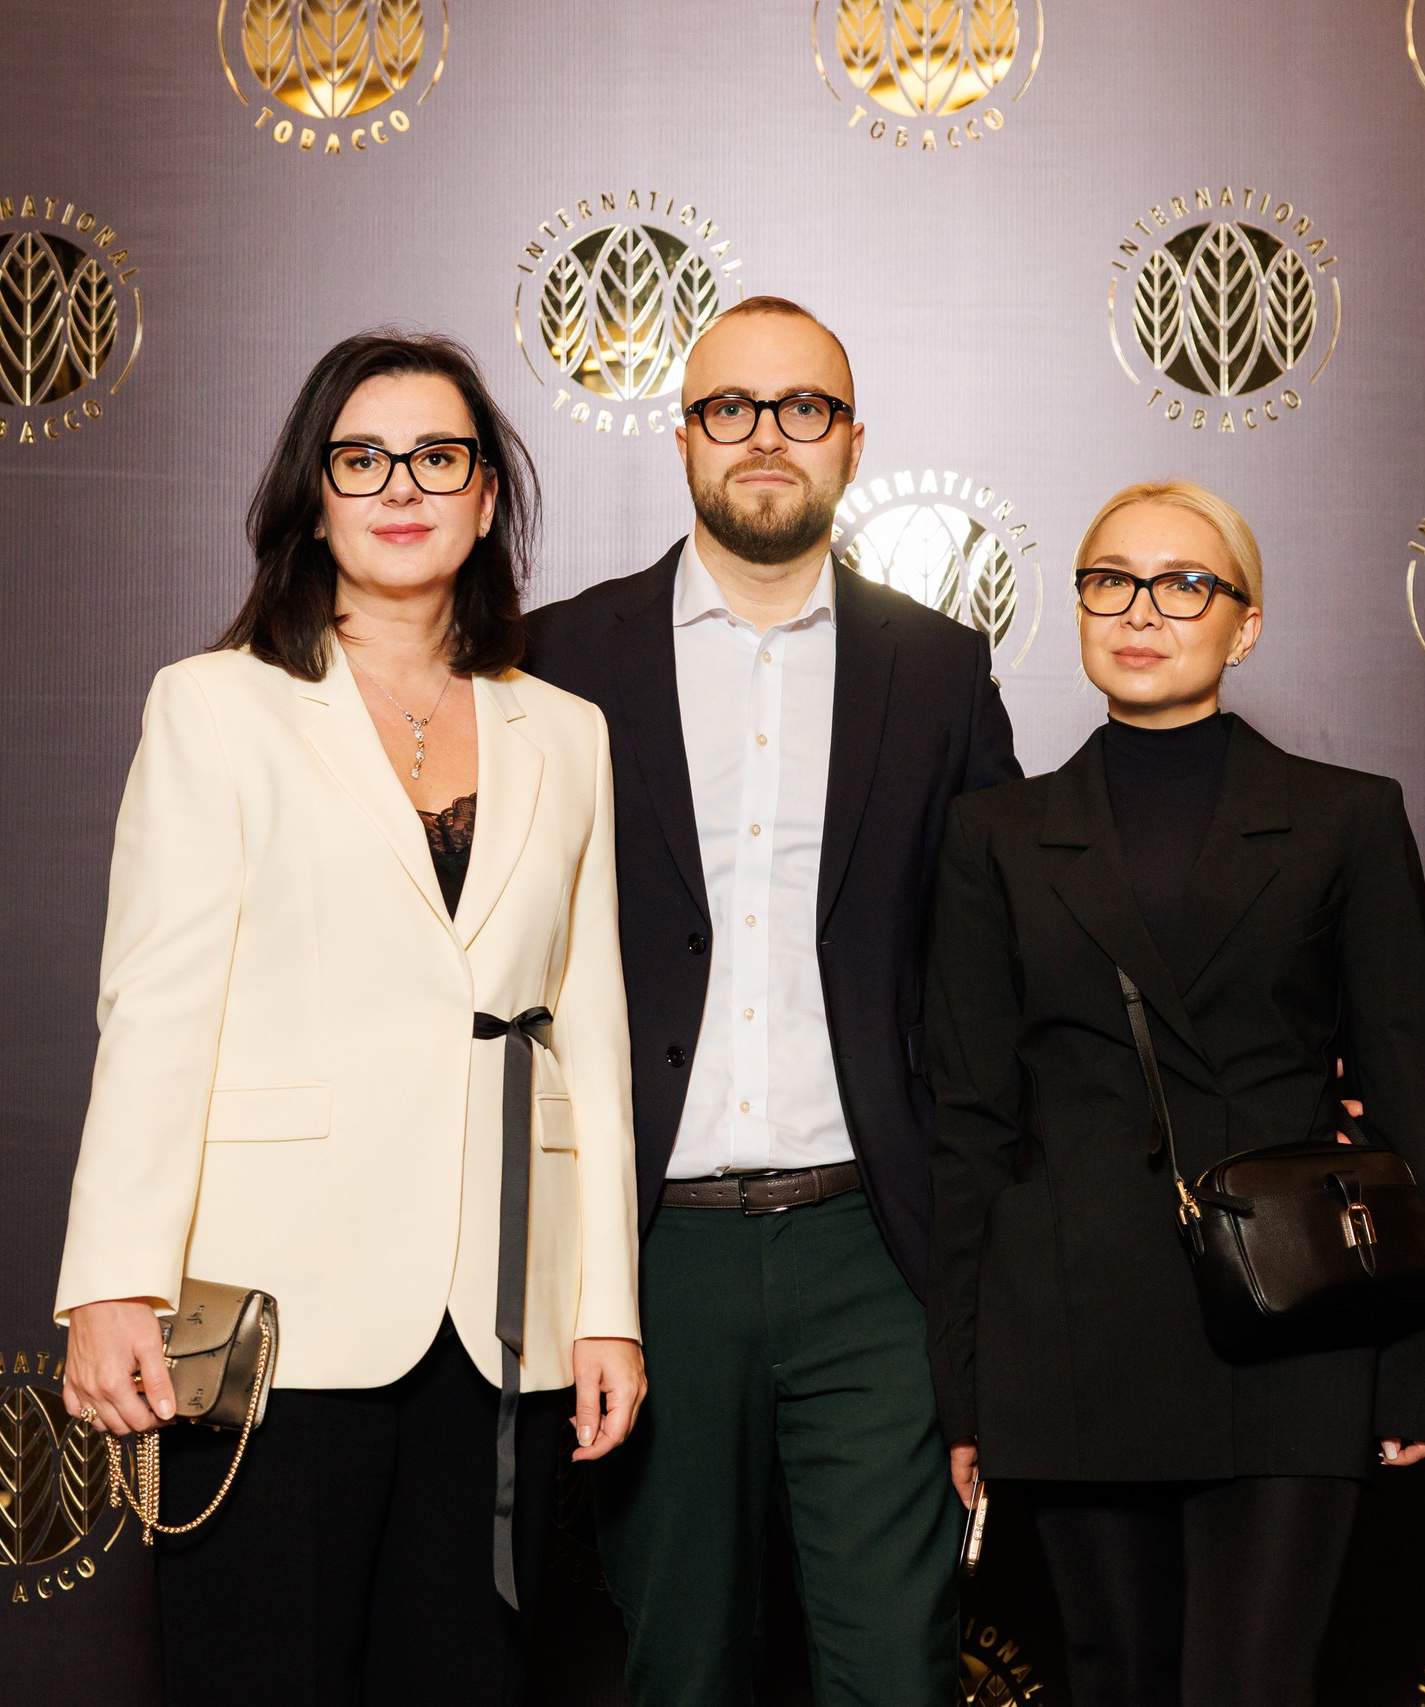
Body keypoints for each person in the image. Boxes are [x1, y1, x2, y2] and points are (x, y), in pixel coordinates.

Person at [51, 330, 644, 1707]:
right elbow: (155, 1008)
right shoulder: (215, 707)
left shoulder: (566, 732)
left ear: (485, 497)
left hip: (499, 1312)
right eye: (362, 458)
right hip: (277, 1305)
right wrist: (113, 1277)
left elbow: (593, 1034)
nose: (401, 485)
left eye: (437, 456)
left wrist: (604, 1305)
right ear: (312, 498)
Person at [522, 295, 1019, 1706]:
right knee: (679, 1670)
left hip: (872, 1248)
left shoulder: (937, 669)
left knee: (895, 1674)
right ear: (683, 438)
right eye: (728, 407)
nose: (764, 437)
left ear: (852, 442)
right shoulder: (558, 659)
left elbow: (1007, 956)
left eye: (803, 408)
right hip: (648, 1253)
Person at [923, 480, 1425, 1707]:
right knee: (1113, 1678)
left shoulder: (1347, 819)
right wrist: (962, 1386)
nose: (1140, 611)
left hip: (1294, 1324)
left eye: (1182, 584)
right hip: (1072, 1326)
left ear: (1245, 622)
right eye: (1109, 581)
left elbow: (1405, 1094)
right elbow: (969, 1127)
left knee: (1252, 1682)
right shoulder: (994, 837)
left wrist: (1423, 1361)